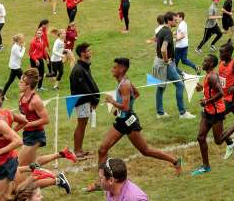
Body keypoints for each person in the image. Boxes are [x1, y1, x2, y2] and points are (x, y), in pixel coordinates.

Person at [92, 57, 181, 187]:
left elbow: (126, 107)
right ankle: (101, 181)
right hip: (122, 120)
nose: (112, 69)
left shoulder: (124, 85)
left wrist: (112, 102)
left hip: (129, 122)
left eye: (115, 67)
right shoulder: (123, 82)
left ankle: (175, 161)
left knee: (145, 151)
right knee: (102, 149)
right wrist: (122, 109)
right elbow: (136, 94)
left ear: (122, 69)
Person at [68, 42, 100, 160]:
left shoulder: (84, 66)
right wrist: (94, 99)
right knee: (81, 125)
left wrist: (94, 98)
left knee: (83, 124)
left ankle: (79, 149)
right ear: (82, 53)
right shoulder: (78, 69)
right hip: (82, 101)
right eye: (88, 51)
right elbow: (84, 89)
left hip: (86, 100)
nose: (90, 52)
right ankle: (77, 151)